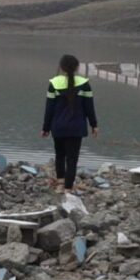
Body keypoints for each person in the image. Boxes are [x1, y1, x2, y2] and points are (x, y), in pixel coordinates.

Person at [42, 54, 98, 192]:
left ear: (61, 68)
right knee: (72, 159)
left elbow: (49, 109)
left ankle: (60, 184)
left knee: (59, 155)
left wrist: (45, 128)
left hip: (58, 127)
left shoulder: (54, 83)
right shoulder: (84, 84)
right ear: (77, 67)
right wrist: (94, 125)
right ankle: (68, 188)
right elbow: (89, 108)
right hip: (76, 128)